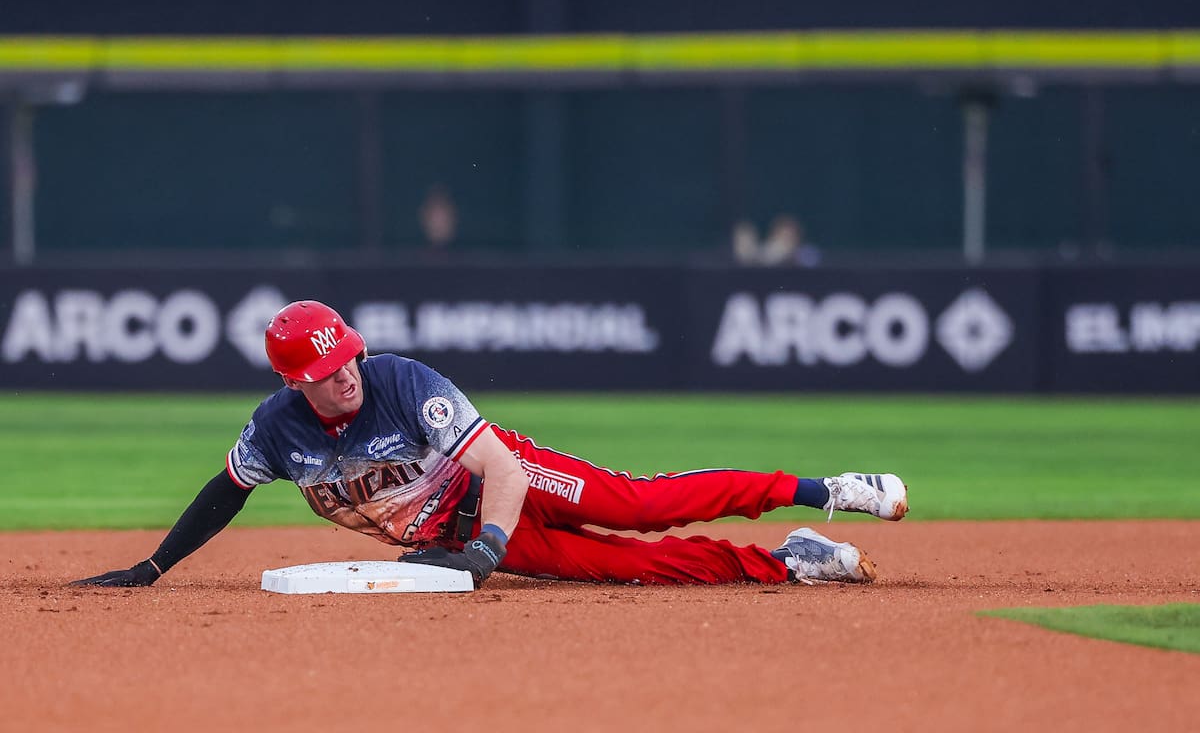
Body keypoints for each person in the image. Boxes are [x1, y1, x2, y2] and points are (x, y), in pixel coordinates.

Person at [71, 300, 908, 590]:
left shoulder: (402, 382)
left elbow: (498, 466)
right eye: (327, 371)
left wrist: (488, 548)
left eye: (348, 355)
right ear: (296, 381)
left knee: (640, 506)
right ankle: (791, 562)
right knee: (630, 568)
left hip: (502, 492)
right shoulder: (276, 430)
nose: (346, 375)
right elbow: (227, 487)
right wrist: (154, 566)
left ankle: (825, 490)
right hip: (457, 537)